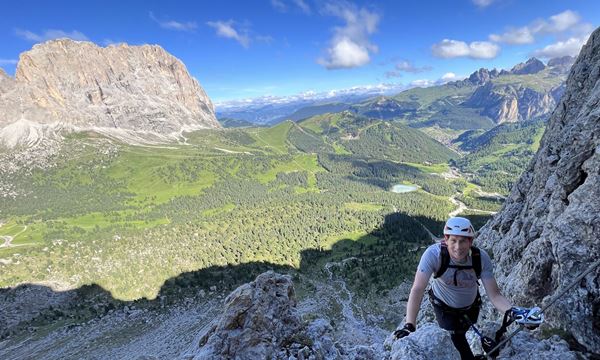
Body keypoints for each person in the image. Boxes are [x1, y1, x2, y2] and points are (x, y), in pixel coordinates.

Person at [392, 217, 541, 360]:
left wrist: (514, 313)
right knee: (457, 341)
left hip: (471, 307)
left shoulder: (480, 258)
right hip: (445, 310)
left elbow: (495, 295)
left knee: (464, 335)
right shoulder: (433, 255)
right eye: (453, 241)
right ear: (446, 239)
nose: (458, 247)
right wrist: (410, 325)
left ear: (470, 241)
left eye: (462, 241)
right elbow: (417, 289)